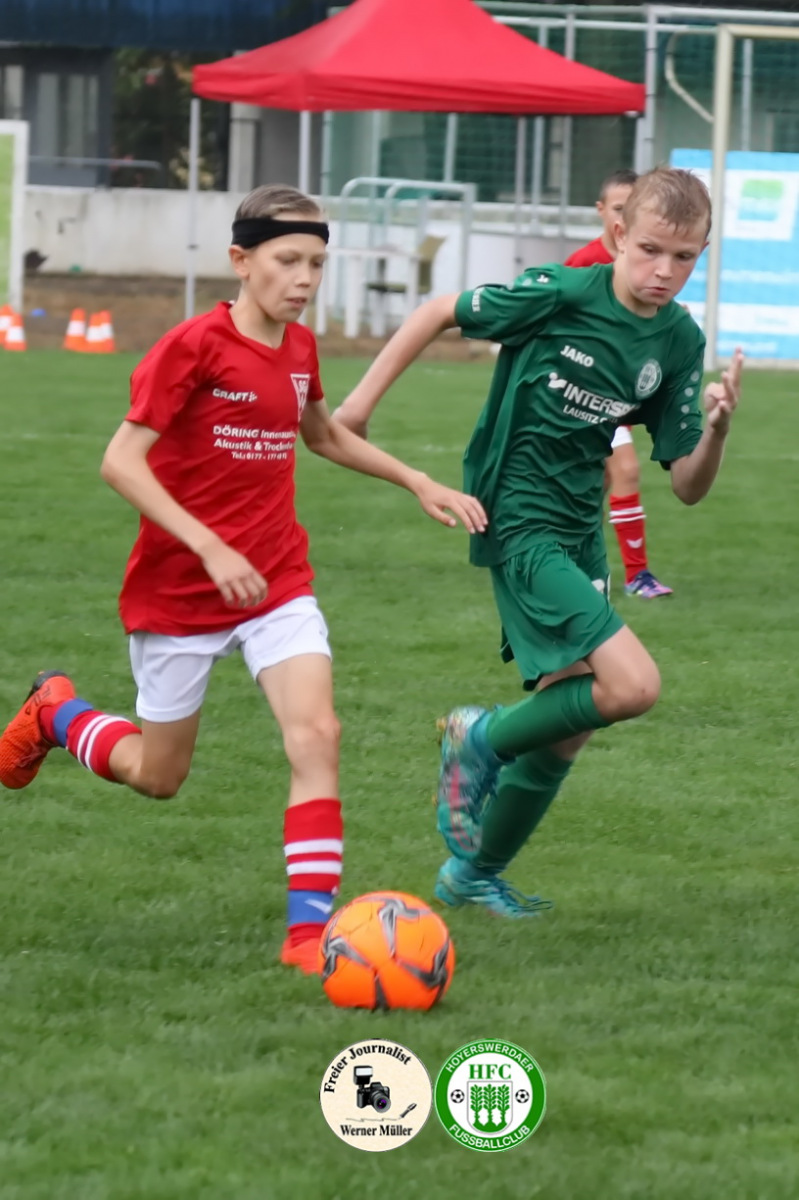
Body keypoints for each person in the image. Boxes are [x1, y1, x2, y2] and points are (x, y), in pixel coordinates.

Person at [0, 183, 487, 971]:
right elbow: (120, 460)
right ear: (241, 259)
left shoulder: (299, 347)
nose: (304, 278)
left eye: (316, 263)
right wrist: (208, 547)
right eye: (287, 260)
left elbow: (322, 434)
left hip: (276, 582)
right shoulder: (192, 346)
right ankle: (57, 712)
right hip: (180, 592)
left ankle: (308, 938)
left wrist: (416, 480)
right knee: (157, 776)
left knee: (318, 735)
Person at [332, 167, 743, 917]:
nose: (664, 270)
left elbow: (687, 485)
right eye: (650, 249)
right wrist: (356, 408)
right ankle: (477, 736)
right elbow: (437, 311)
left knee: (568, 722)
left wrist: (716, 429)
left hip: (579, 525)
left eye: (684, 257)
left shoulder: (679, 339)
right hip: (517, 515)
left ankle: (472, 875)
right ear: (616, 235)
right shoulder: (560, 293)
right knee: (632, 686)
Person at [566, 168, 672, 600]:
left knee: (597, 484)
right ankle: (637, 575)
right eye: (618, 208)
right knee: (623, 470)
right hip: (580, 393)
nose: (624, 217)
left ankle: (554, 548)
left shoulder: (650, 268)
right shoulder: (583, 263)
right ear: (602, 212)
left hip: (619, 393)